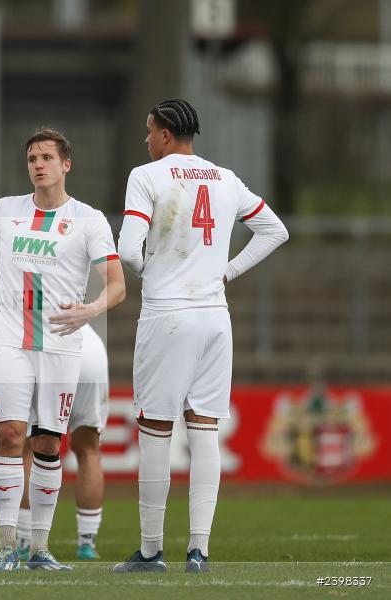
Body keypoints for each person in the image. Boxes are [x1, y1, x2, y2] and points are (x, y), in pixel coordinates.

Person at [114, 99, 288, 574]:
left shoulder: (147, 175)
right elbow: (275, 231)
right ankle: (199, 550)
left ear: (166, 134)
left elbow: (127, 249)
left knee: (154, 428)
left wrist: (156, 274)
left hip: (167, 313)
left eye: (150, 131)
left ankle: (151, 551)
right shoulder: (225, 177)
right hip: (214, 315)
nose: (146, 140)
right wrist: (226, 273)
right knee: (204, 426)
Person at [0, 128, 125, 571]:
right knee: (9, 436)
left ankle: (41, 548)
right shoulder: (6, 211)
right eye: (31, 158)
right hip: (9, 341)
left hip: (62, 346)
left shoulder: (90, 220)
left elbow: (117, 286)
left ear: (66, 164)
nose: (38, 164)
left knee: (47, 443)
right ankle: (8, 545)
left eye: (46, 157)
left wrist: (91, 309)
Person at [0, 312, 109, 562]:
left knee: (30, 444)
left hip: (46, 351)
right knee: (89, 449)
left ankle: (25, 539)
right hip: (89, 347)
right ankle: (87, 543)